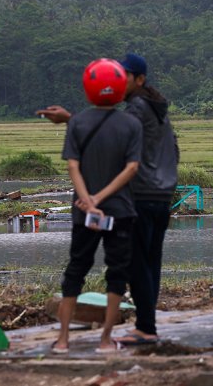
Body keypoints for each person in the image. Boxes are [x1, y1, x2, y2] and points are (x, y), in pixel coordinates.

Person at [38, 53, 179, 345]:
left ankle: (146, 328)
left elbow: (110, 132)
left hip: (140, 194)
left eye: (123, 74)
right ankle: (147, 324)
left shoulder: (137, 109)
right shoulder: (155, 106)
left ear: (139, 80)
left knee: (137, 265)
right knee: (151, 262)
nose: (117, 78)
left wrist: (70, 120)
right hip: (163, 192)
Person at [51, 58, 143, 354]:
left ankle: (63, 340)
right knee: (116, 272)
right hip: (120, 211)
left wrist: (89, 201)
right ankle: (105, 340)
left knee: (76, 268)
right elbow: (131, 169)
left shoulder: (77, 122)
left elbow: (72, 166)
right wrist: (101, 199)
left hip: (84, 211)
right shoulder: (131, 123)